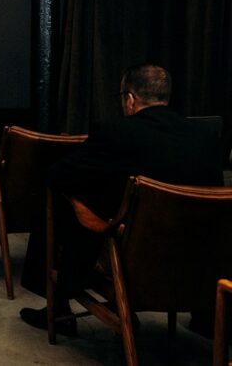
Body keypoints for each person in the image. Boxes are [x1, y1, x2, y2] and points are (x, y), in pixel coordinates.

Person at [19, 63, 223, 335]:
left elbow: (57, 176)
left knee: (61, 198)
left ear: (130, 99)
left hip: (133, 258)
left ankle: (59, 308)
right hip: (199, 262)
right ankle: (207, 317)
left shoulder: (115, 132)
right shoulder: (204, 137)